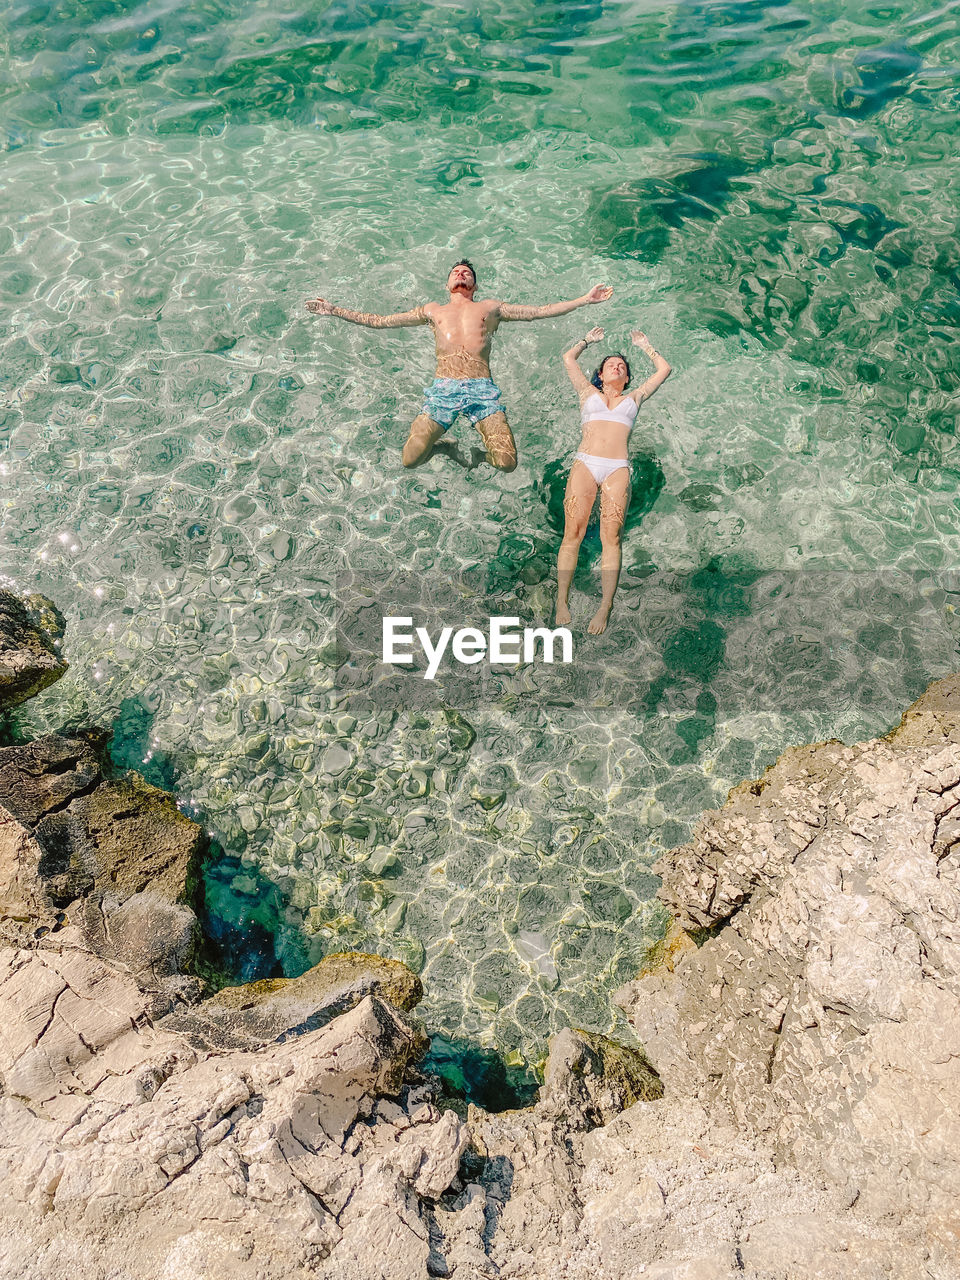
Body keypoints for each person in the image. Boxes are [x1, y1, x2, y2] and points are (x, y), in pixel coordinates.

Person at [306, 261, 613, 472]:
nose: (462, 274)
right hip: (443, 390)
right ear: (448, 282)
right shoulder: (432, 311)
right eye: (456, 272)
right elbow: (380, 321)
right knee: (410, 460)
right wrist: (333, 310)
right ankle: (446, 448)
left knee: (507, 462)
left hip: (483, 390)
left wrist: (584, 300)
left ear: (474, 285)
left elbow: (540, 311)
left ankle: (479, 456)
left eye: (467, 273)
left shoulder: (490, 308)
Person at [555, 326, 672, 634]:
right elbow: (568, 358)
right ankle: (561, 599)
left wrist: (646, 345)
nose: (617, 367)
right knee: (573, 534)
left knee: (612, 538)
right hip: (586, 464)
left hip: (617, 468)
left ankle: (605, 606)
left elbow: (665, 369)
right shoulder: (587, 393)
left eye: (622, 366)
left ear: (627, 378)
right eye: (611, 365)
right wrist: (587, 340)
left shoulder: (635, 397)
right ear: (601, 375)